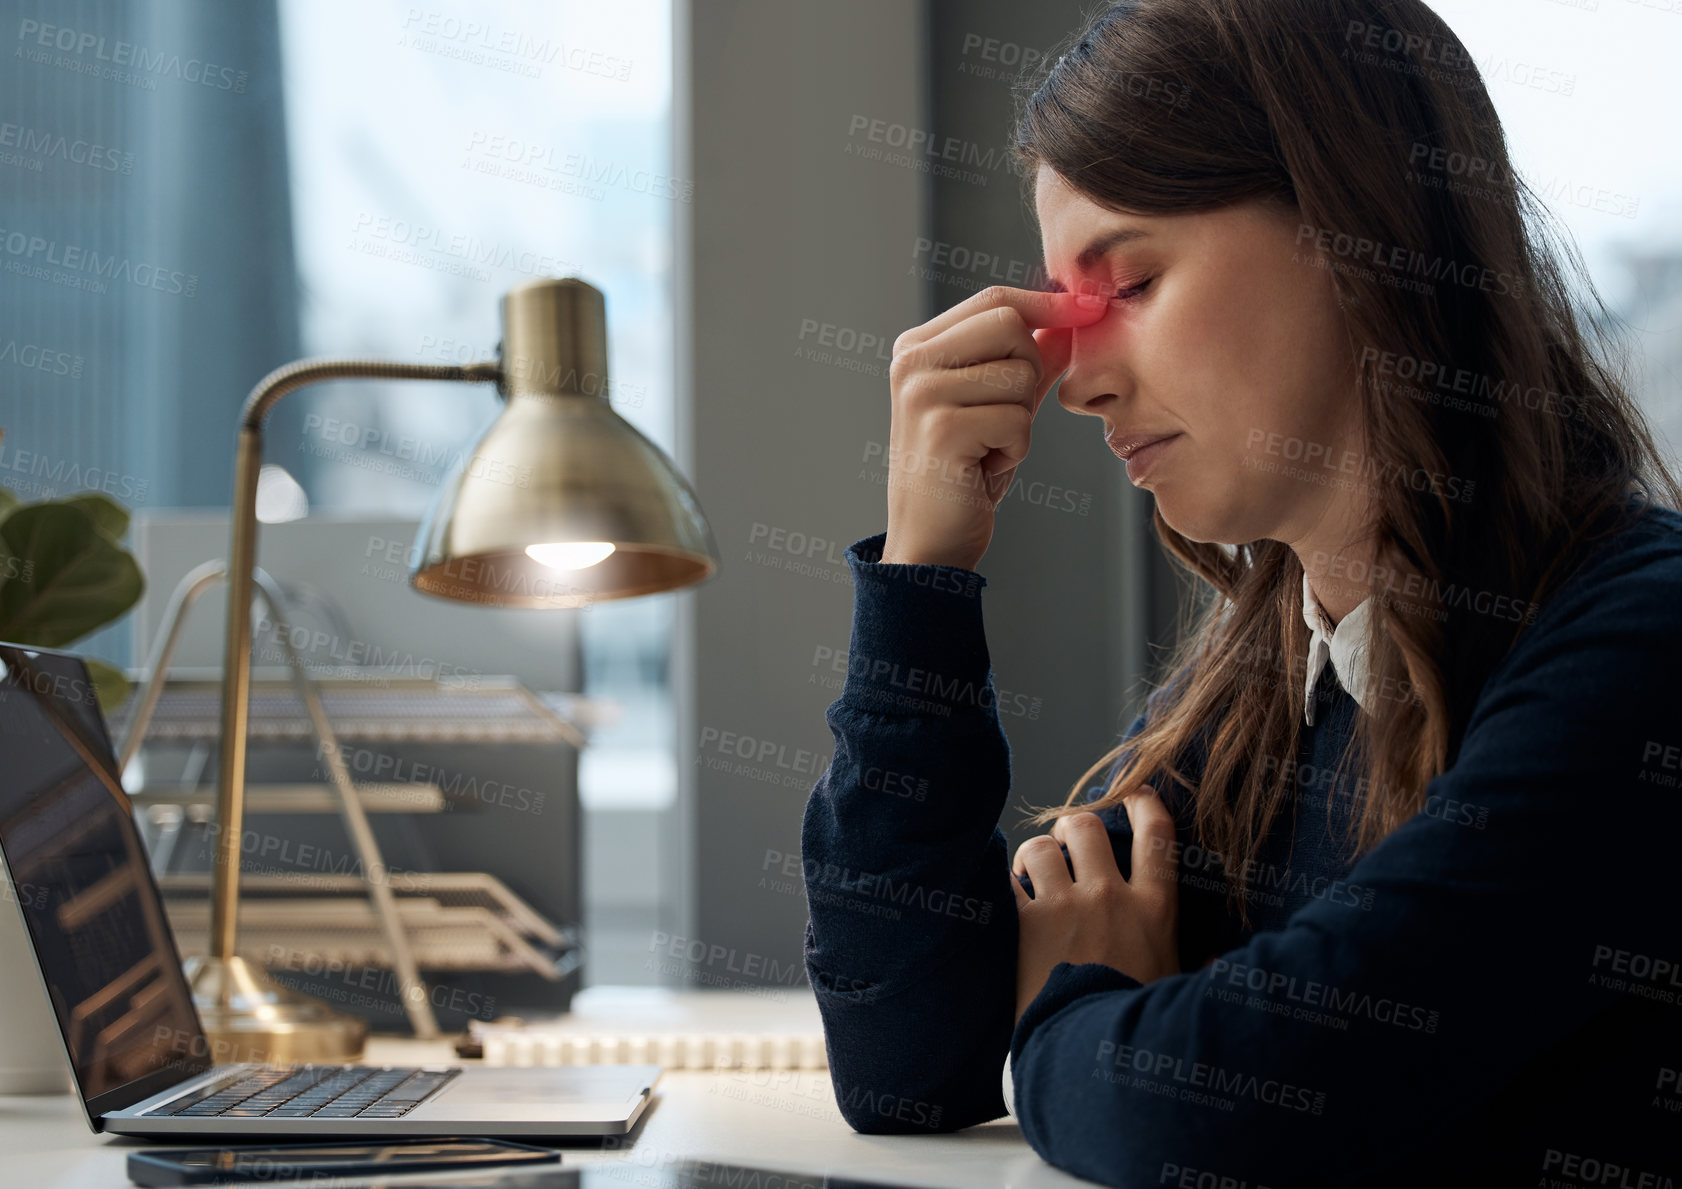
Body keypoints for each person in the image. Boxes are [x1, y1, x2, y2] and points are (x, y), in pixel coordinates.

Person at [798, 1, 1682, 1185]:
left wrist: (1067, 1013)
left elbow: (1220, 1107)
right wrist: (923, 571)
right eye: (1066, 311)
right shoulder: (1255, 690)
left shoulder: (1643, 644)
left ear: (1356, 224)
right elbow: (905, 1062)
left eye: (1133, 284)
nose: (1078, 384)